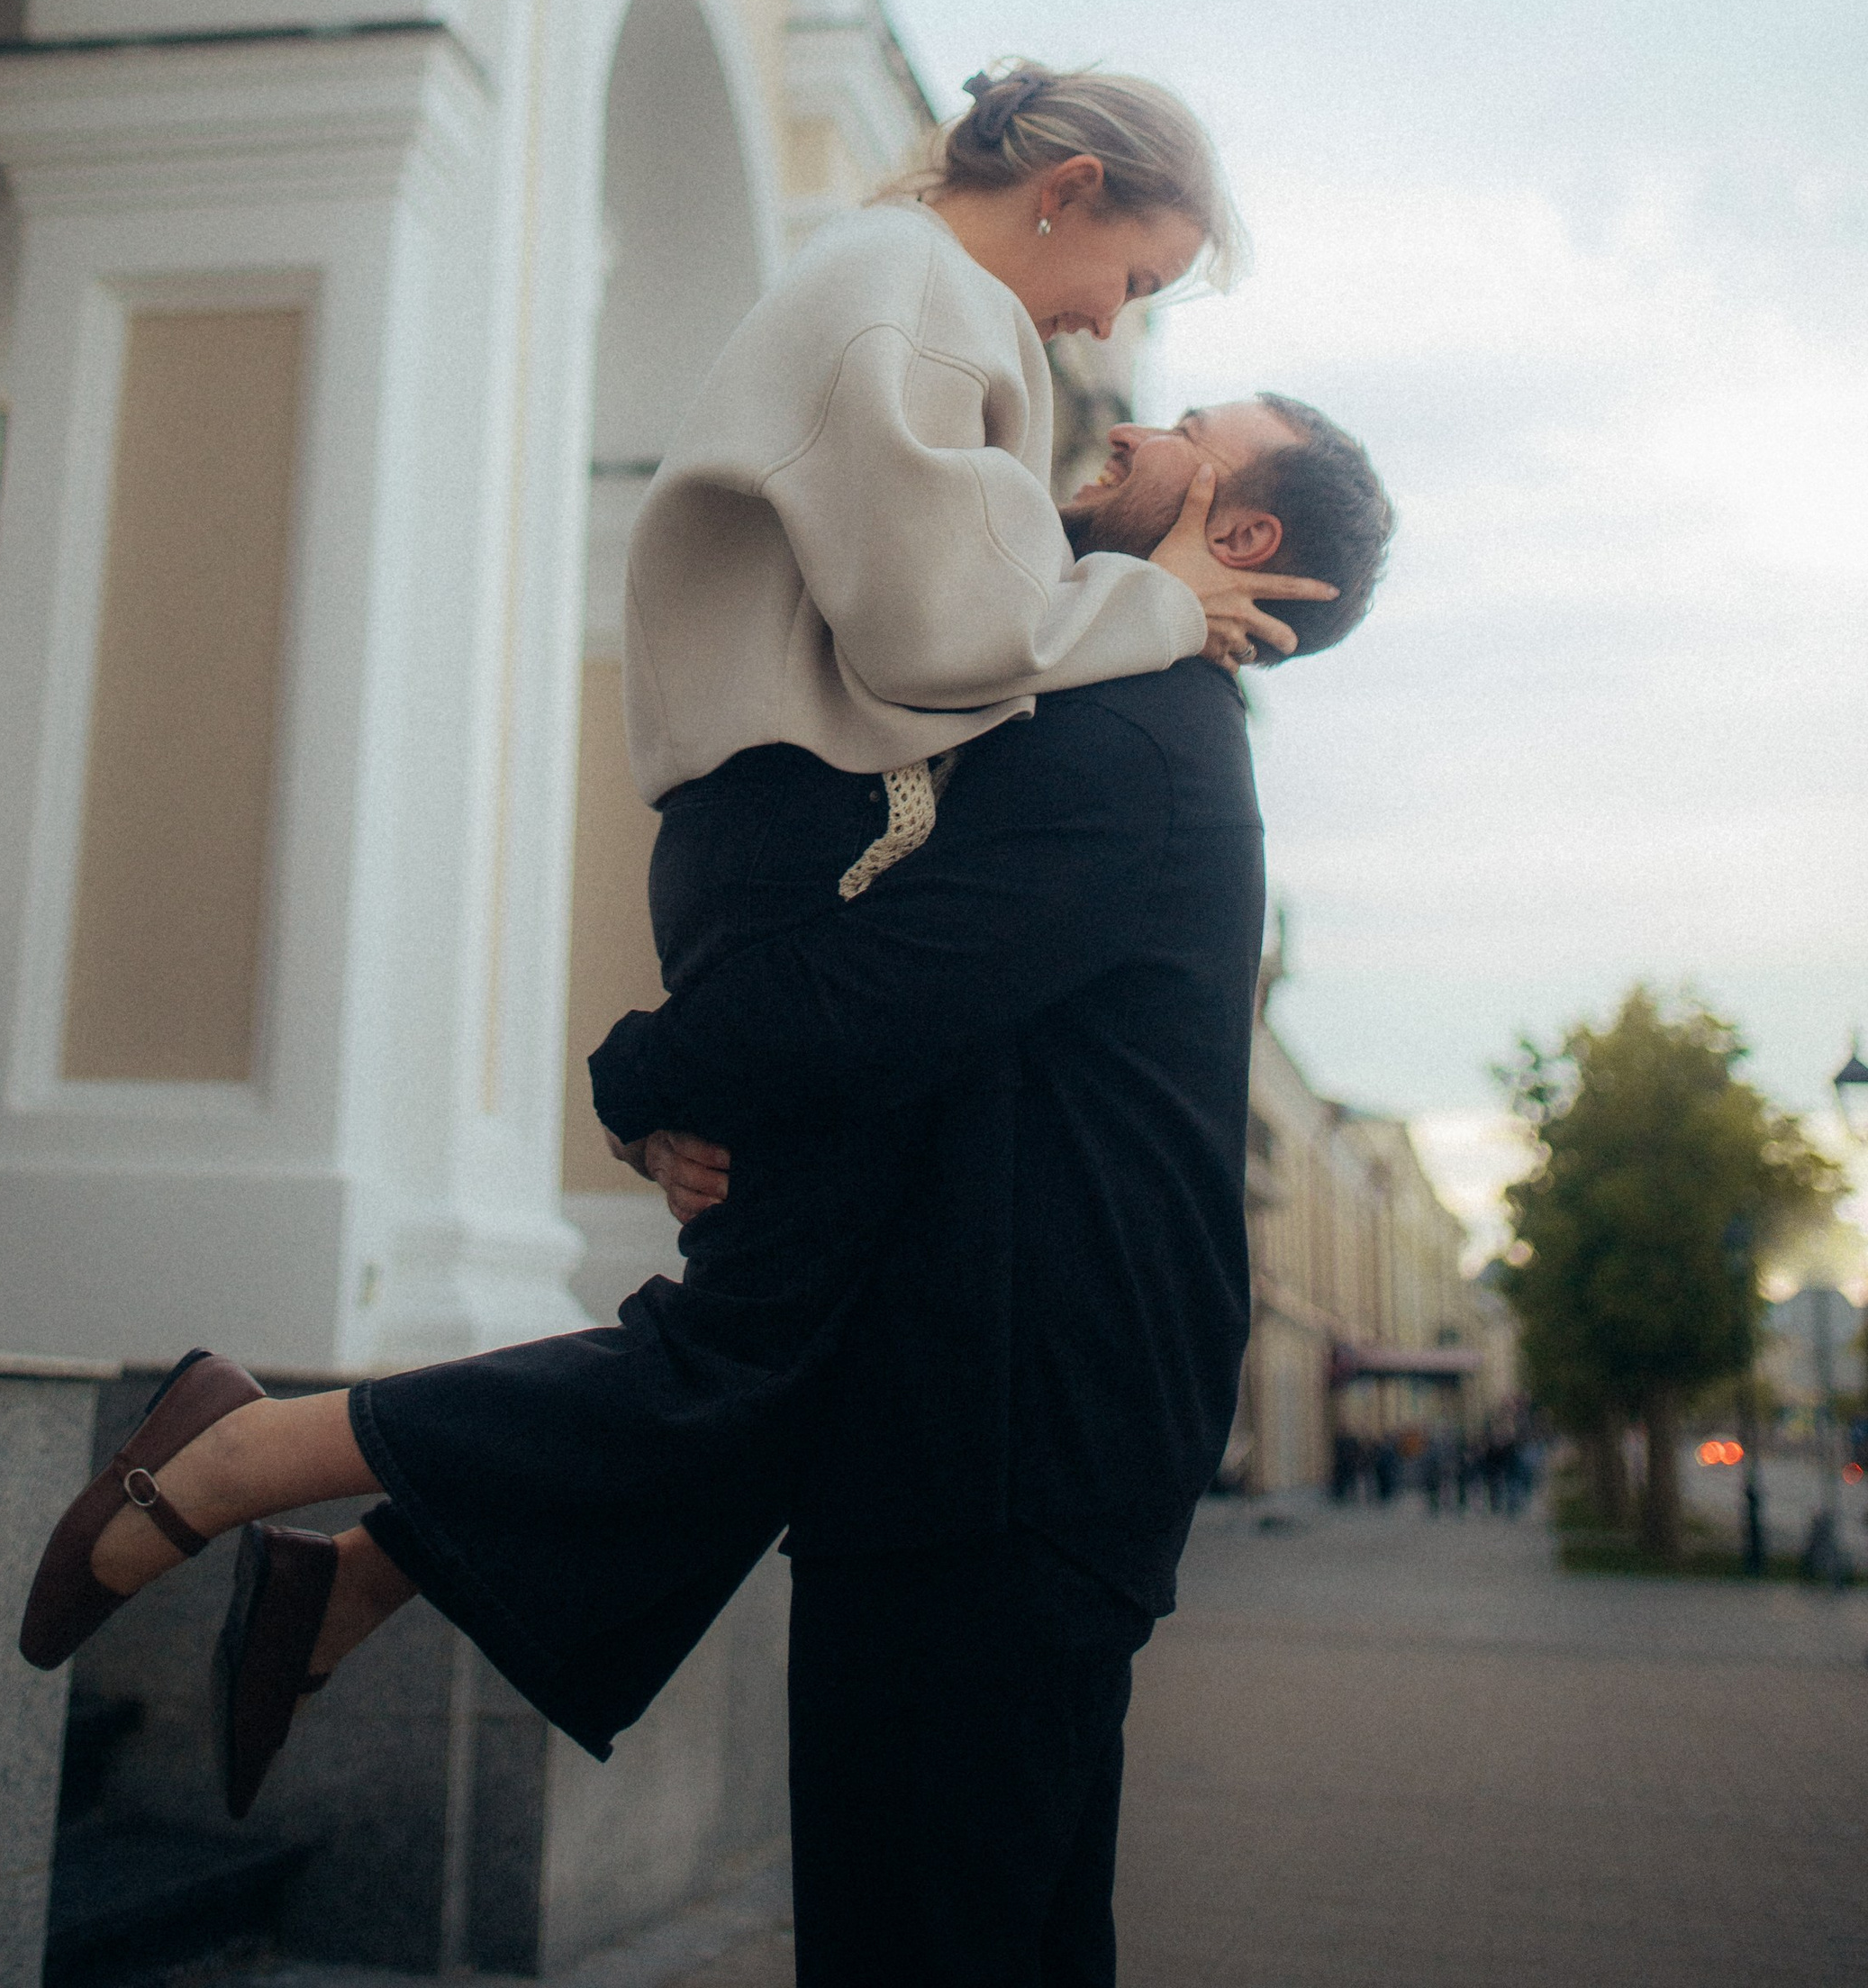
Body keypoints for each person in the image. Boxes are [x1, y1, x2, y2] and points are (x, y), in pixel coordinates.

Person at [15, 68, 1333, 1795]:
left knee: (802, 1342)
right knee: (754, 1348)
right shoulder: (929, 309)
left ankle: (355, 1575)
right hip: (799, 826)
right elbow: (945, 633)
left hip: (768, 820)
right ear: (1072, 188)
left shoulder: (912, 297)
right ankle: (247, 1455)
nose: (1113, 329)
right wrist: (1156, 603)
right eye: (1139, 275)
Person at [583, 398, 1394, 1984]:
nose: (1141, 416)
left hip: (1003, 1446)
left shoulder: (1130, 736)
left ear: (1237, 539)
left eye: (1194, 428)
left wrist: (638, 1071)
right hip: (1020, 1435)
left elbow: (880, 991)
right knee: (1010, 1931)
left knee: (923, 1934)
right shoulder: (1139, 722)